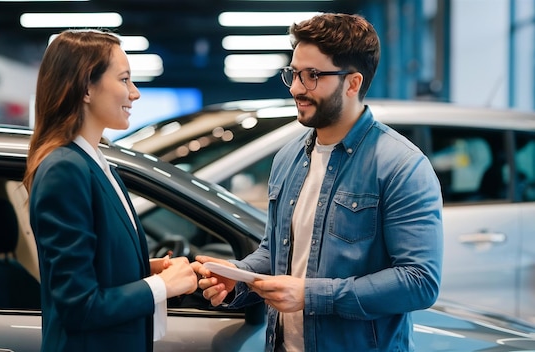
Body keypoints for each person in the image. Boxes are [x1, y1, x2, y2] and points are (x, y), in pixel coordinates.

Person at [192, 13, 443, 351]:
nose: (296, 88)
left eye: (312, 76)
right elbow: (277, 252)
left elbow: (419, 282)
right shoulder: (288, 158)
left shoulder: (401, 165)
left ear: (352, 83)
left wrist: (311, 295)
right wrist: (239, 278)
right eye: (294, 73)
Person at [23, 29, 197, 352]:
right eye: (125, 80)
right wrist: (161, 285)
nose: (135, 93)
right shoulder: (65, 169)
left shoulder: (98, 164)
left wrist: (151, 269)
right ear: (87, 87)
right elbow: (80, 305)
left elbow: (98, 266)